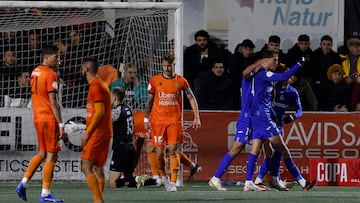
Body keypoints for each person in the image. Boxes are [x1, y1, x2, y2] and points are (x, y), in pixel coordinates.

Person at [244, 50, 316, 191]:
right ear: (266, 60)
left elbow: (264, 98)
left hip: (261, 116)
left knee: (257, 149)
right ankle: (277, 180)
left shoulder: (277, 84)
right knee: (281, 148)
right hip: (263, 118)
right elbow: (283, 75)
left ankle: (249, 182)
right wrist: (300, 63)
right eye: (274, 60)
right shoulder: (265, 74)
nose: (276, 63)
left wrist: (277, 116)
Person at [208, 58, 268, 191]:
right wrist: (259, 64)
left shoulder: (263, 79)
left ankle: (249, 182)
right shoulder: (250, 76)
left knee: (259, 149)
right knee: (237, 148)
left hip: (257, 119)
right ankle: (215, 178)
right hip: (247, 118)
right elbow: (245, 72)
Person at [144, 53, 201, 192]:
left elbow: (191, 98)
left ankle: (174, 183)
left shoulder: (181, 81)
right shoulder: (154, 80)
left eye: (169, 66)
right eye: (164, 66)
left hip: (174, 121)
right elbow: (150, 101)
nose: (167, 68)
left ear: (174, 65)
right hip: (158, 121)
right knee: (158, 153)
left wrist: (196, 116)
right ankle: (165, 179)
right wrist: (146, 118)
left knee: (173, 150)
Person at [15, 45, 65, 202]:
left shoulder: (35, 71)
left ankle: (23, 184)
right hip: (48, 119)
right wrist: (61, 124)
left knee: (42, 153)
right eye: (56, 57)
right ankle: (45, 194)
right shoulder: (51, 74)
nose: (58, 60)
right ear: (47, 57)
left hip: (37, 117)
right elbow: (53, 102)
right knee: (52, 155)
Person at [254, 67, 303, 189]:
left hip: (279, 124)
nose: (286, 78)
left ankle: (265, 180)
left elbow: (300, 110)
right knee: (270, 150)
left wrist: (292, 117)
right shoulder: (271, 87)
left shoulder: (292, 92)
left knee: (279, 151)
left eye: (288, 76)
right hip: (266, 121)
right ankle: (298, 180)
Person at [80, 56, 112, 203]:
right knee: (98, 167)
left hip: (98, 132)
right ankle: (99, 199)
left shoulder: (97, 86)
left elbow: (99, 112)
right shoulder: (101, 85)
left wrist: (87, 133)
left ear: (86, 69)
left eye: (82, 67)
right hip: (104, 131)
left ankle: (98, 200)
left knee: (86, 166)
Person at [308, 35, 342, 109]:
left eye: (328, 44)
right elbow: (311, 72)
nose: (326, 46)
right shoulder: (314, 55)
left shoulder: (335, 56)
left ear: (332, 45)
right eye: (324, 44)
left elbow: (338, 71)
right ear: (321, 45)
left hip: (330, 82)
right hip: (317, 83)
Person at [229, 39, 256, 109]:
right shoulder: (234, 58)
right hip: (236, 84)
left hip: (250, 84)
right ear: (241, 48)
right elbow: (233, 74)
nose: (248, 52)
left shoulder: (254, 59)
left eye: (250, 49)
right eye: (246, 49)